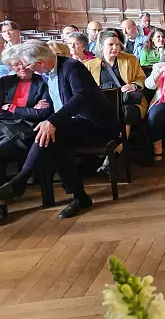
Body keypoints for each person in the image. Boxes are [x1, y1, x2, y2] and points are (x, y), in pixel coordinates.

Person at [0, 40, 120, 219]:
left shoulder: (71, 67)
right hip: (70, 125)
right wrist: (46, 116)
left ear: (39, 63)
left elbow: (80, 98)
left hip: (96, 126)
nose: (28, 69)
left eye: (28, 65)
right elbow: (51, 106)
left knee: (52, 134)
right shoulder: (46, 74)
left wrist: (53, 121)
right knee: (51, 139)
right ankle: (79, 197)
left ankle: (22, 180)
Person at [0, 45, 52, 225]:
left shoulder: (43, 82)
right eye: (15, 65)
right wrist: (29, 110)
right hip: (4, 129)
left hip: (29, 133)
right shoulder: (4, 82)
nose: (21, 68)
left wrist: (12, 108)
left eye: (23, 63)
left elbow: (42, 114)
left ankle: (1, 202)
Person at [84, 30, 147, 145]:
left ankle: (121, 146)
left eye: (117, 44)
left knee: (126, 112)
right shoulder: (90, 65)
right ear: (102, 47)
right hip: (103, 102)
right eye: (111, 45)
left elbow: (142, 78)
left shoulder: (130, 59)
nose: (115, 48)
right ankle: (104, 147)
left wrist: (133, 85)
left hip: (127, 101)